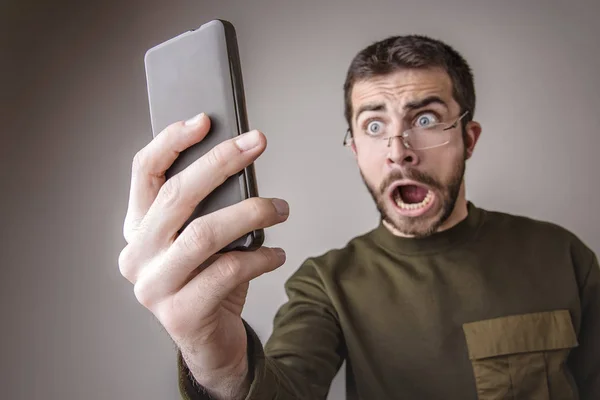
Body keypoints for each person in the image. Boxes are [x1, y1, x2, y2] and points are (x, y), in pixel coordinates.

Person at [118, 34, 600, 400]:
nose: (399, 151)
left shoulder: (563, 255)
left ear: (468, 138)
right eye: (374, 125)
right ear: (354, 149)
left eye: (426, 119)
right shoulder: (326, 285)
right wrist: (219, 363)